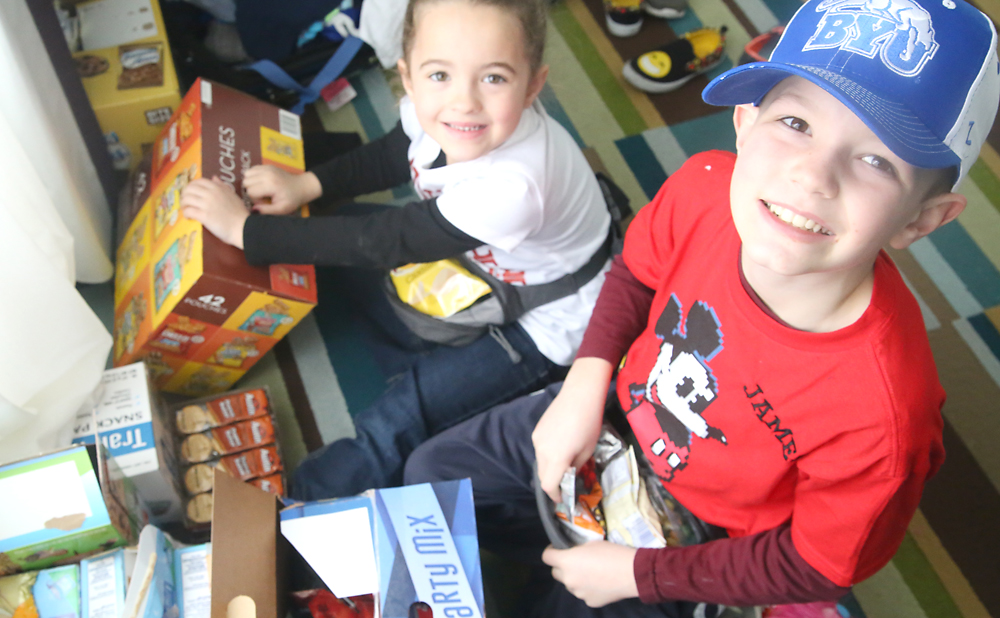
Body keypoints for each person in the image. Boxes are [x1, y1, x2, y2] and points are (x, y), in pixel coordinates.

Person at [403, 0, 1000, 615]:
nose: (812, 176)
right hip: (618, 417)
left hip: (711, 536)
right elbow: (636, 270)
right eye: (796, 124)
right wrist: (584, 382)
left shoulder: (885, 415)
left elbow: (819, 564)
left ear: (924, 219)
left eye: (876, 160)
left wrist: (639, 575)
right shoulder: (704, 187)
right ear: (744, 120)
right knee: (431, 475)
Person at [179, 0, 613, 500]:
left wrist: (245, 233)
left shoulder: (514, 186)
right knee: (326, 230)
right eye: (440, 75)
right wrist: (308, 186)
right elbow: (394, 152)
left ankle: (285, 515)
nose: (463, 102)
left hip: (547, 325)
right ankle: (429, 359)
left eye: (493, 78)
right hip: (476, 265)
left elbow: (386, 241)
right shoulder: (441, 111)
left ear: (534, 85)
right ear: (407, 76)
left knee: (399, 418)